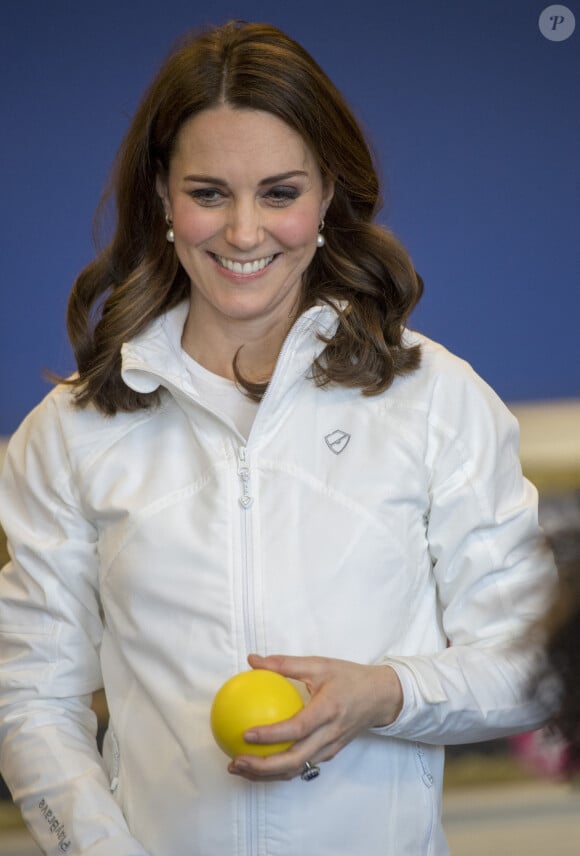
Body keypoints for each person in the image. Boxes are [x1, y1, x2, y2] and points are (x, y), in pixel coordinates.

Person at [0, 20, 556, 856]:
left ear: (329, 192)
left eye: (280, 193)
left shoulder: (435, 398)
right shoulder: (70, 433)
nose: (246, 234)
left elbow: (528, 662)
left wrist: (383, 694)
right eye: (210, 192)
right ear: (161, 195)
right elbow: (32, 700)